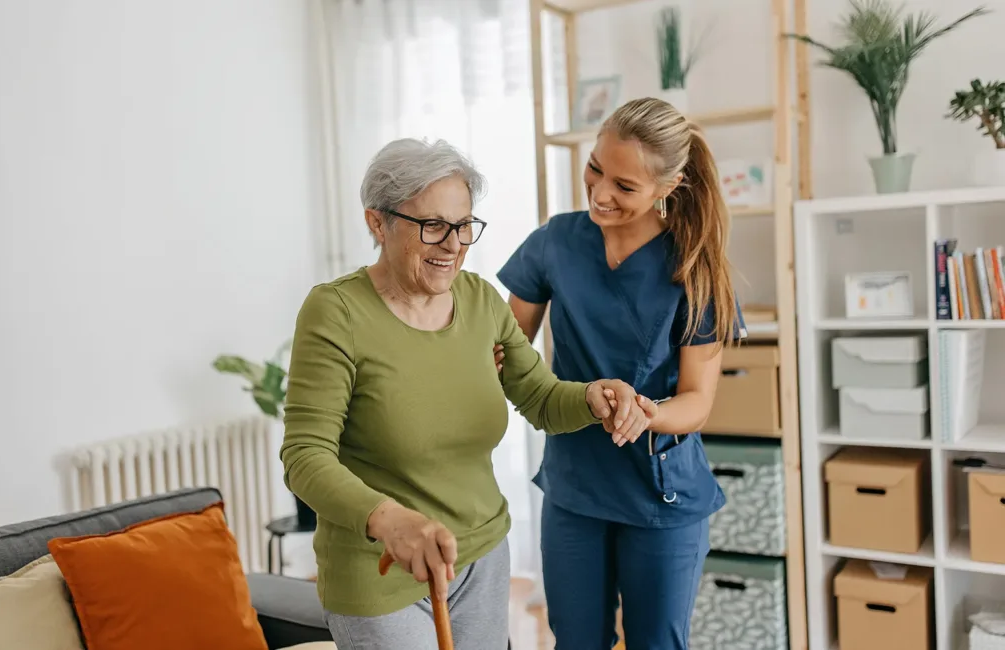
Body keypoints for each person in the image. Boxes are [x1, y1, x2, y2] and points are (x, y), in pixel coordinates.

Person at [280, 137, 649, 650]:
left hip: (481, 556)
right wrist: (389, 521)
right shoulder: (336, 312)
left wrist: (593, 397)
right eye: (432, 226)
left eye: (463, 226)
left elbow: (540, 398)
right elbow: (304, 456)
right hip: (381, 565)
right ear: (376, 223)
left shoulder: (479, 300)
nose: (453, 244)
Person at [495, 97, 746, 650]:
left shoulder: (695, 266)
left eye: (625, 187)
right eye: (595, 169)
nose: (600, 193)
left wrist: (648, 412)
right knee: (576, 642)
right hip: (575, 487)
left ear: (669, 185)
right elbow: (506, 349)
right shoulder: (556, 242)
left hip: (660, 494)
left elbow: (698, 400)